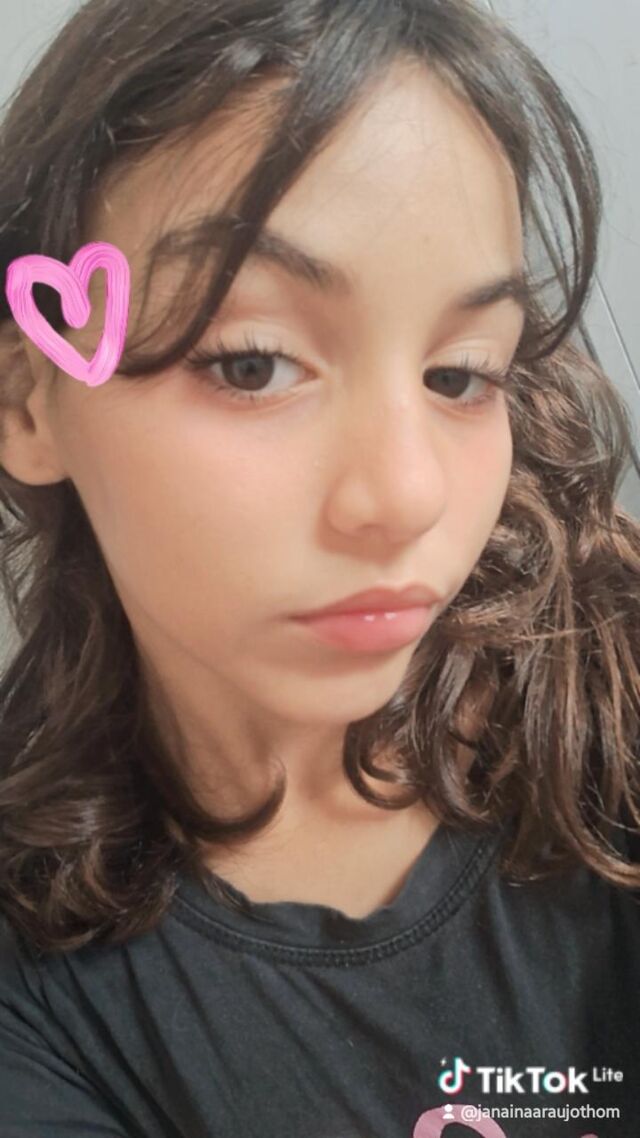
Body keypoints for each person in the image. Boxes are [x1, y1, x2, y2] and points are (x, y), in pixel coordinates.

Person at [0, 1, 639, 1135]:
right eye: (252, 363)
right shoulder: (39, 986)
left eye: (460, 375)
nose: (405, 496)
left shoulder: (616, 701)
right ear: (27, 397)